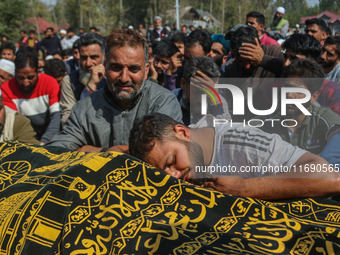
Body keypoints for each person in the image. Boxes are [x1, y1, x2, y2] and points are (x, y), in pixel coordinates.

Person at [129, 113, 340, 200]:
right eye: (162, 173)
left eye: (172, 162)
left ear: (183, 132)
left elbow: (329, 177)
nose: (173, 176)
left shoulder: (240, 142)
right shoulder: (172, 149)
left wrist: (243, 188)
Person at [46, 29, 182, 152]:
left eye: (133, 69)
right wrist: (103, 152)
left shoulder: (162, 101)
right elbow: (59, 149)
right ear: (105, 67)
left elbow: (168, 152)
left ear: (146, 70)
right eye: (116, 68)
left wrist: (87, 150)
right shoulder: (84, 109)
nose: (124, 78)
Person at [261, 59, 340, 155]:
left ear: (313, 97)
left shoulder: (325, 121)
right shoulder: (264, 123)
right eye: (287, 87)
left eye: (298, 91)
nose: (289, 95)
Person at [1, 47, 61, 144]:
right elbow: (15, 123)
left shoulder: (50, 83)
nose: (25, 83)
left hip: (49, 137)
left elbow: (56, 117)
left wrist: (45, 142)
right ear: (15, 73)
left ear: (38, 71)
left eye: (30, 77)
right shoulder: (6, 89)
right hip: (23, 137)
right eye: (20, 78)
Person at [59, 33, 105, 125]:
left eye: (94, 57)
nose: (88, 63)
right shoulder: (69, 80)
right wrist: (91, 85)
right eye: (83, 58)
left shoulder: (112, 78)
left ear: (104, 55)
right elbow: (67, 118)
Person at [173, 56, 230, 125]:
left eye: (207, 94)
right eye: (197, 92)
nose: (202, 99)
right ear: (183, 83)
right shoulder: (171, 100)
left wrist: (216, 105)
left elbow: (224, 132)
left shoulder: (218, 102)